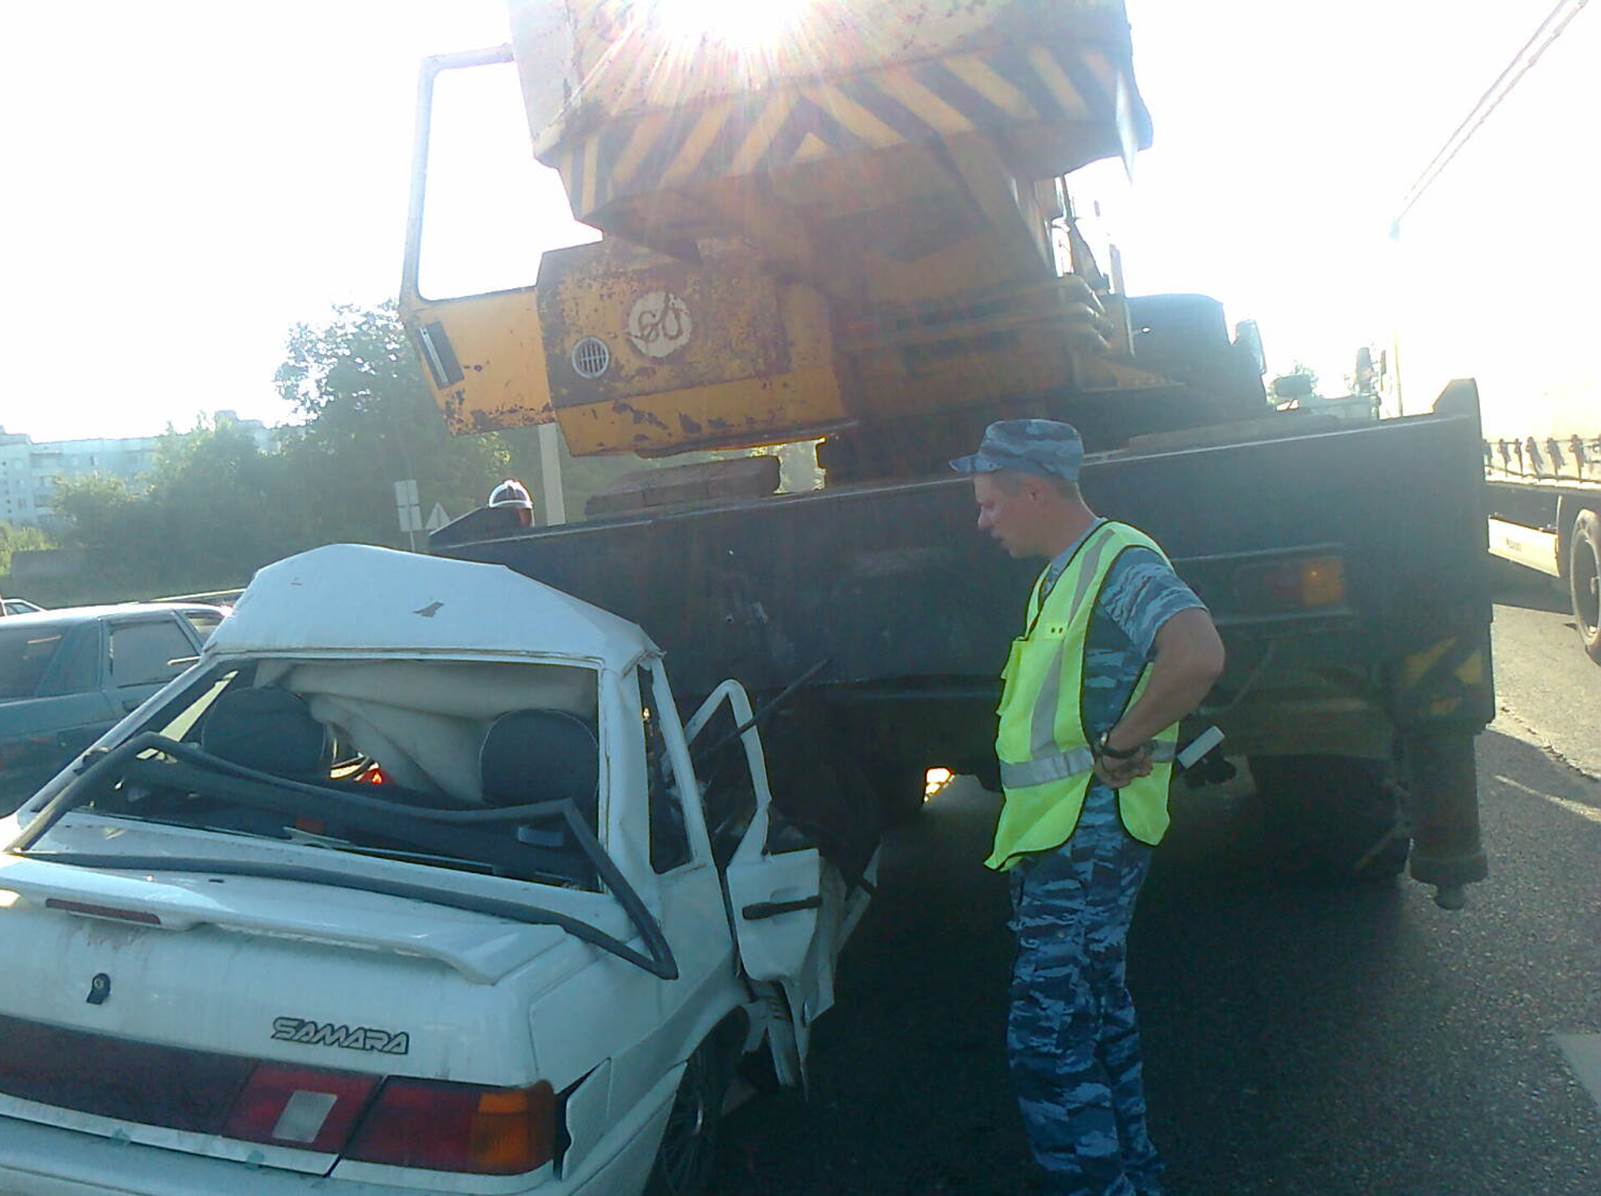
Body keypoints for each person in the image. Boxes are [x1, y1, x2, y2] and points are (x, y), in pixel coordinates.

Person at [950, 419, 1225, 1196]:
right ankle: (1131, 1176)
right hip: (1062, 840)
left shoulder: (1118, 561)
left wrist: (1119, 743)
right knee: (1096, 1023)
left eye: (989, 505)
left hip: (1086, 841)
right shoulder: (1061, 574)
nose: (982, 521)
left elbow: (1198, 654)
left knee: (1046, 1043)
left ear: (1033, 490)